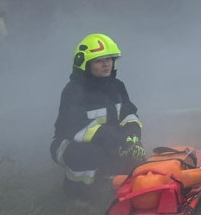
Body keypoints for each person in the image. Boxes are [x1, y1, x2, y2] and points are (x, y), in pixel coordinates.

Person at [50, 34, 145, 198]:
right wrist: (117, 140)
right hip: (71, 144)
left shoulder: (117, 86)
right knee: (87, 155)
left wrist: (132, 137)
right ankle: (78, 192)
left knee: (134, 161)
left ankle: (110, 185)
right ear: (84, 64)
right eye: (99, 60)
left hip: (108, 141)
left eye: (109, 59)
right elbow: (76, 127)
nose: (106, 64)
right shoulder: (73, 91)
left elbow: (129, 114)